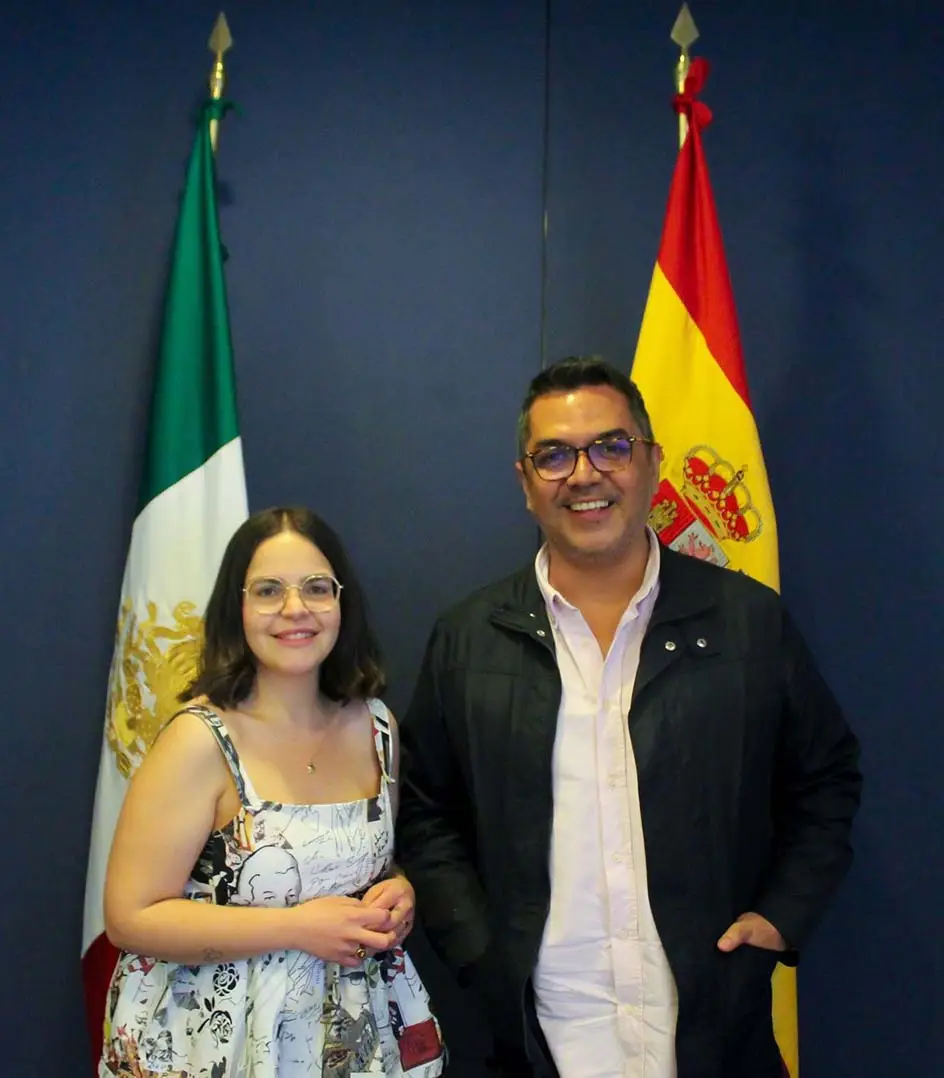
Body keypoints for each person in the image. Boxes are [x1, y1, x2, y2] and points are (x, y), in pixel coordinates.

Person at [395, 357, 862, 1078]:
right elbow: (425, 811)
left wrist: (781, 917)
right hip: (543, 1037)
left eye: (611, 447)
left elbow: (826, 780)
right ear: (525, 482)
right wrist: (480, 951)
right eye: (554, 455)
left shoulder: (746, 622)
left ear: (652, 462)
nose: (585, 474)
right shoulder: (469, 639)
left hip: (715, 1032)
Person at [100, 506, 445, 1078]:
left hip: (354, 1037)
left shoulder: (377, 726)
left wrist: (398, 890)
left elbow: (367, 864)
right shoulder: (199, 741)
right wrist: (298, 928)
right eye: (268, 590)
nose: (295, 608)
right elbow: (131, 918)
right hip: (216, 1042)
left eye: (316, 588)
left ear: (342, 603)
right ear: (235, 608)